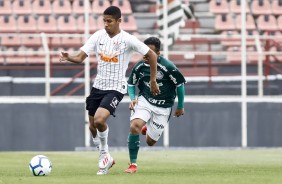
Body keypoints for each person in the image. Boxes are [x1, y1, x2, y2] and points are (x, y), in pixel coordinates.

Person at [59, 6, 160, 175]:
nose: (106, 24)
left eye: (109, 21)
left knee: (99, 120)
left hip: (116, 87)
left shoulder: (128, 40)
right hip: (98, 86)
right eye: (104, 21)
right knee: (92, 127)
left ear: (119, 21)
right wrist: (69, 57)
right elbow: (80, 57)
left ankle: (104, 157)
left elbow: (152, 55)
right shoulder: (98, 36)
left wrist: (153, 80)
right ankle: (107, 158)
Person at [124, 37, 186, 173]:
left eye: (150, 52)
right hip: (145, 101)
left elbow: (180, 84)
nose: (146, 56)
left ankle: (147, 127)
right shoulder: (140, 66)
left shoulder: (168, 66)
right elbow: (130, 83)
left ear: (158, 53)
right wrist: (133, 97)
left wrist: (180, 106)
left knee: (150, 142)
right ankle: (133, 164)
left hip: (163, 107)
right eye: (145, 52)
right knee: (134, 127)